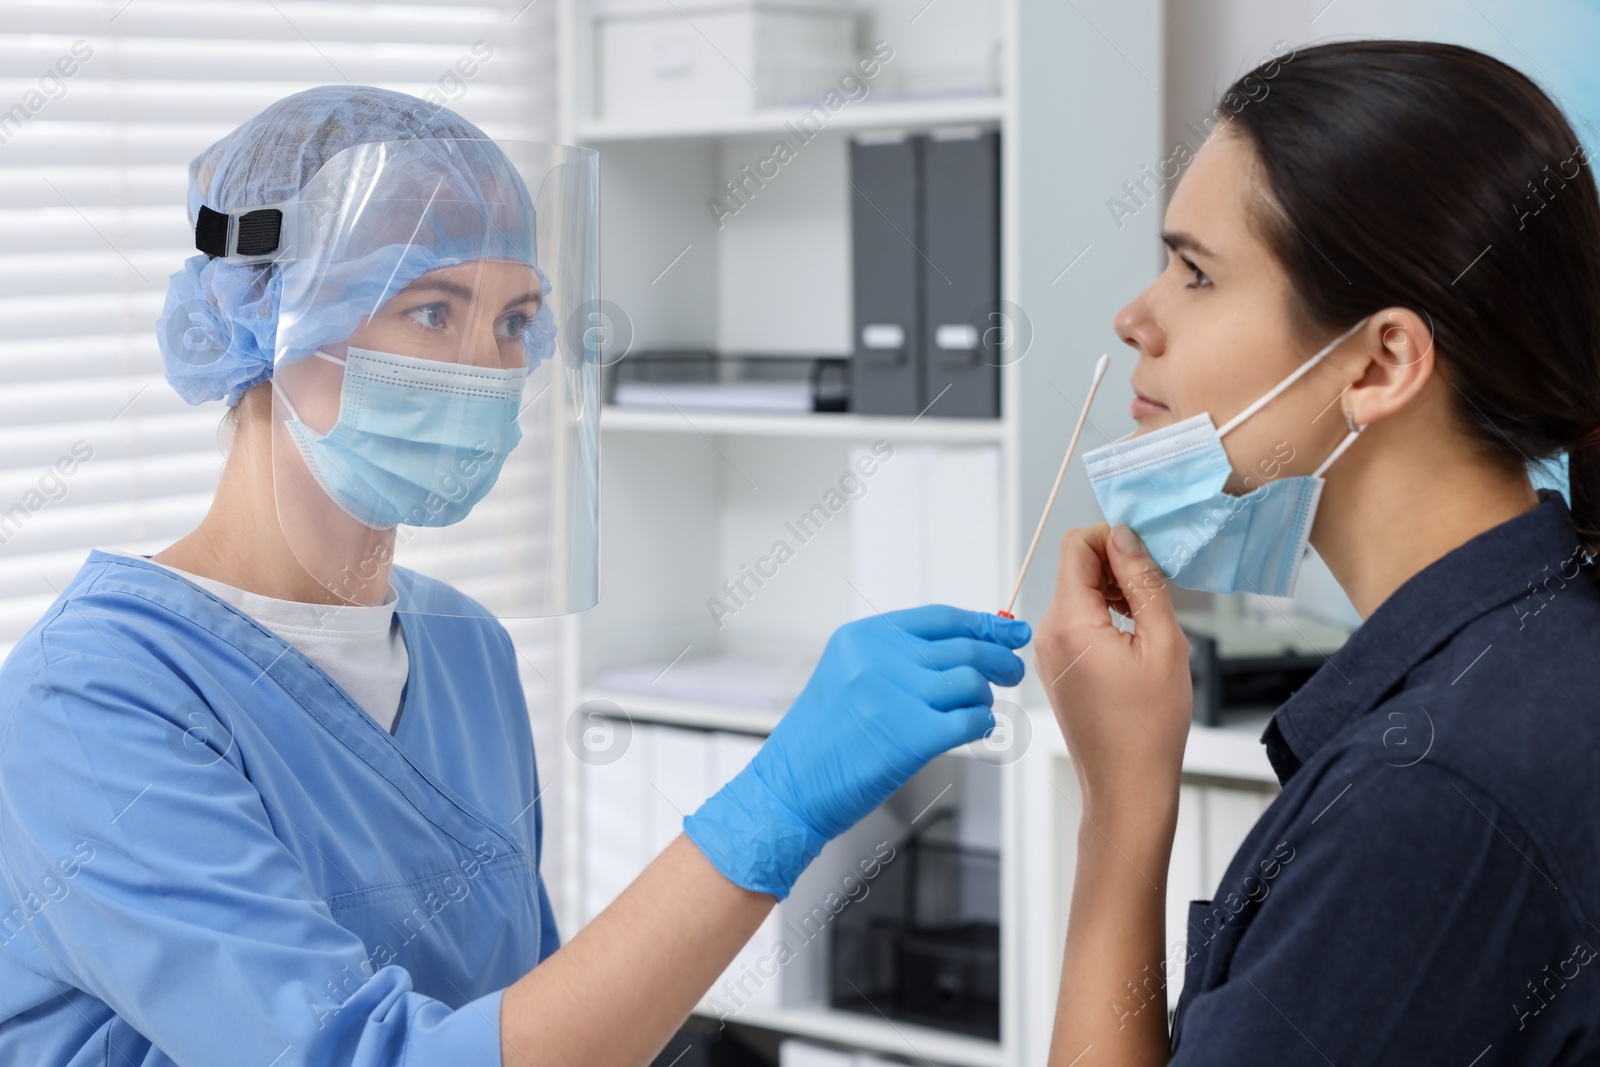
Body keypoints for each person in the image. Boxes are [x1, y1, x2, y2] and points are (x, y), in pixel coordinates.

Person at [0, 86, 1032, 1067]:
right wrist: (778, 803)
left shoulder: (464, 647)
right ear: (272, 316)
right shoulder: (88, 705)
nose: (489, 368)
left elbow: (528, 1010)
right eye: (433, 311)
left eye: (513, 320)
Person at [1037, 39, 1600, 1065]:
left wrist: (1121, 815)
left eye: (1196, 273)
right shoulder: (1540, 654)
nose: (1134, 318)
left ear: (1382, 360)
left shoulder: (1426, 797)